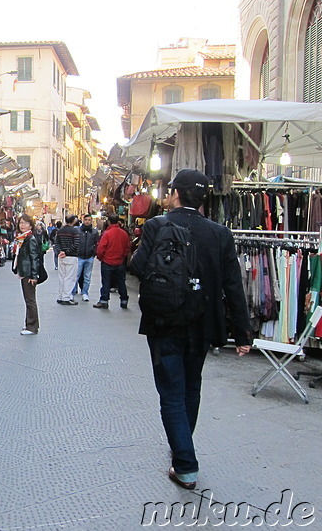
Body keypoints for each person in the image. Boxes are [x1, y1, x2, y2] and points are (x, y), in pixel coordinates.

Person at [130, 169, 251, 490]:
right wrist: (243, 334)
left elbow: (137, 266)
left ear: (176, 194)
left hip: (163, 320)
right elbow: (233, 285)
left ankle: (185, 463)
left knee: (170, 392)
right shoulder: (220, 233)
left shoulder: (157, 225)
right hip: (203, 322)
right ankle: (181, 443)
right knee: (191, 387)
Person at [11, 214, 41, 335]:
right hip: (25, 271)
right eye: (21, 223)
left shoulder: (30, 239)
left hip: (28, 273)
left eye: (25, 223)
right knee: (28, 299)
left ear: (30, 225)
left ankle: (32, 326)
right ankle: (30, 324)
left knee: (30, 300)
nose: (22, 225)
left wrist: (34, 276)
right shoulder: (22, 238)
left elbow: (34, 258)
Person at [93, 214, 131, 309]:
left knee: (106, 282)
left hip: (107, 261)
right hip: (119, 261)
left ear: (109, 221)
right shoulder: (124, 234)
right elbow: (127, 247)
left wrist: (100, 257)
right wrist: (123, 256)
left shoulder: (107, 233)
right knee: (121, 282)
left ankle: (104, 301)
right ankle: (124, 300)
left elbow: (101, 248)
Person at [72, 214, 100, 302]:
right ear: (83, 220)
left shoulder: (94, 232)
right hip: (79, 256)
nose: (87, 221)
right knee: (76, 276)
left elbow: (97, 243)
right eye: (86, 220)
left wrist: (94, 253)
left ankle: (85, 293)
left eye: (89, 220)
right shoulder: (77, 230)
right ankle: (72, 292)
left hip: (89, 257)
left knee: (87, 277)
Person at [53, 215, 80, 305]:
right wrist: (67, 252)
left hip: (61, 257)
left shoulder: (60, 231)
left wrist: (60, 251)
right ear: (73, 221)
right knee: (70, 277)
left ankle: (60, 296)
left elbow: (56, 242)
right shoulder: (75, 231)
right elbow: (76, 243)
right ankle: (66, 297)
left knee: (62, 277)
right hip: (71, 256)